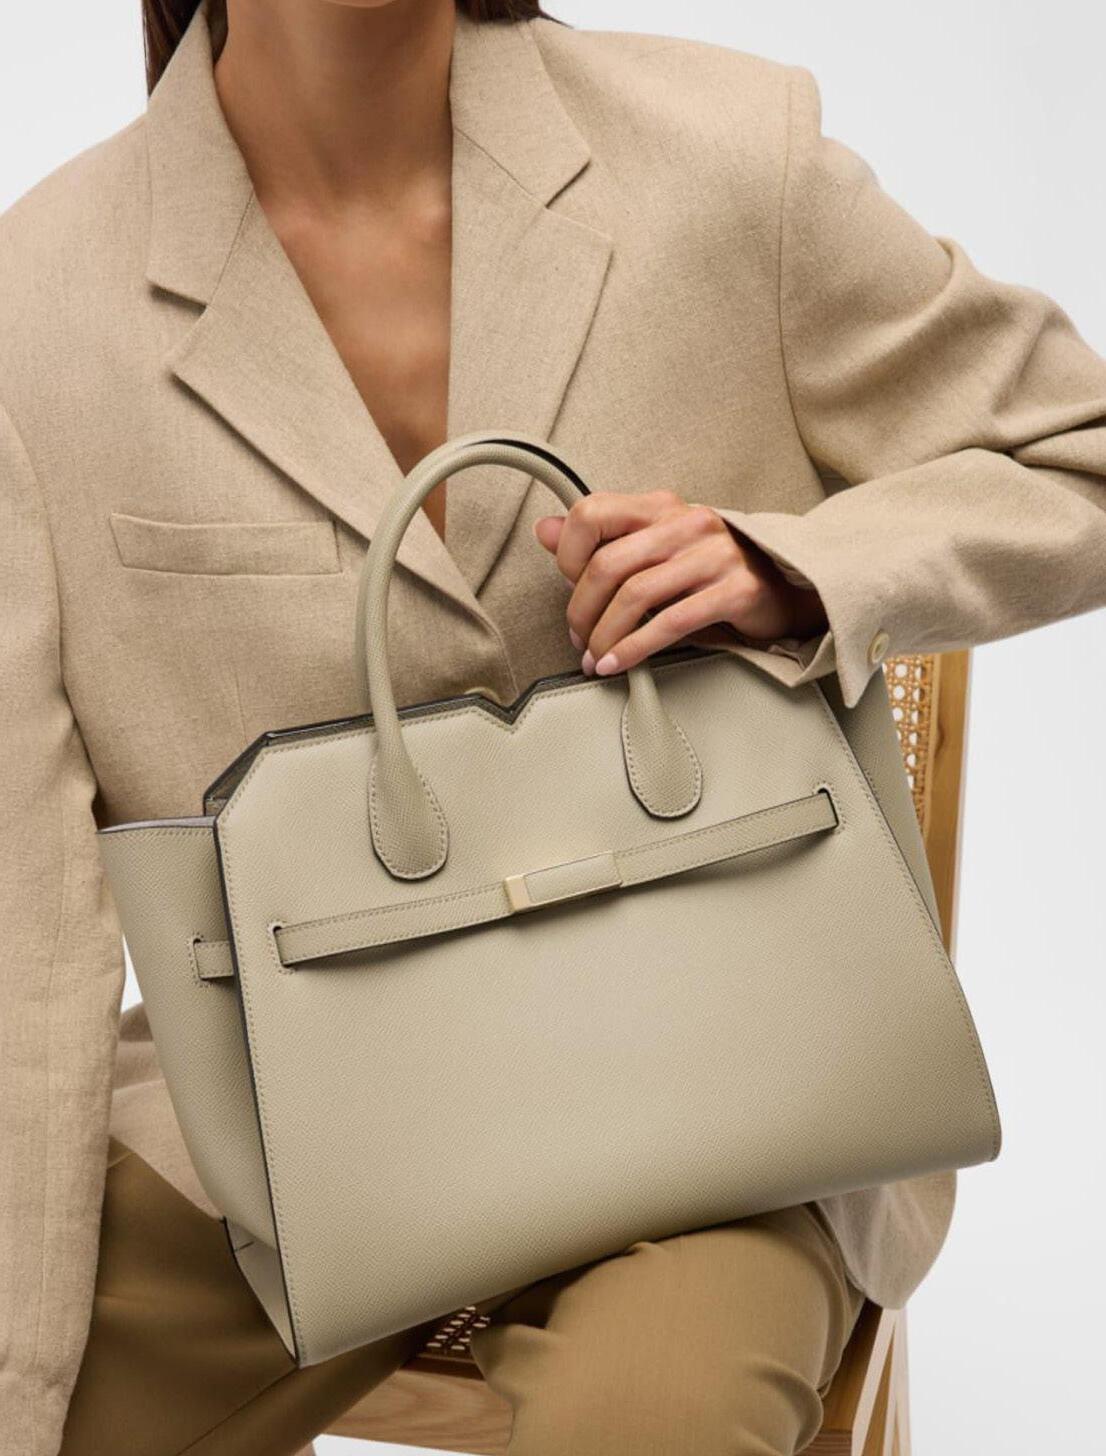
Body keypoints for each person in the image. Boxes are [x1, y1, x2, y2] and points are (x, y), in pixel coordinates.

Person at [2, 1, 1104, 1452]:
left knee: (649, 1423)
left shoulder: (727, 156)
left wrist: (797, 567)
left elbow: (1076, 451)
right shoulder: (35, 309)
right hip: (286, 1127)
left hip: (733, 1104)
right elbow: (25, 919)